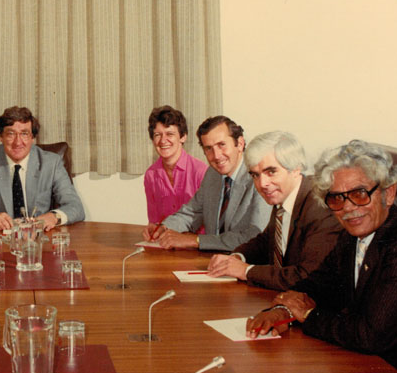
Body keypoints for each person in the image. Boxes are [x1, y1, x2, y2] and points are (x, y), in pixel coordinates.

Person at [245, 139, 397, 373]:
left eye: (360, 194)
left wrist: (307, 314)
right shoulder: (353, 234)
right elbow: (321, 283)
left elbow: (370, 335)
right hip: (365, 365)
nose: (348, 208)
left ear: (389, 193)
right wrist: (282, 310)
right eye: (336, 199)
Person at [207, 131, 343, 290]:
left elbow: (307, 276)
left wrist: (246, 271)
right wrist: (237, 257)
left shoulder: (320, 206)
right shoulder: (283, 197)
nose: (262, 183)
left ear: (296, 169)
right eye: (255, 175)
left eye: (271, 172)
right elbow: (266, 241)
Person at [150, 115, 270, 251]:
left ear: (240, 144)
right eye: (208, 148)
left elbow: (254, 236)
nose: (216, 155)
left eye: (221, 145)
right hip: (213, 261)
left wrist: (196, 240)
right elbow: (192, 212)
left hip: (247, 262)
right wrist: (164, 228)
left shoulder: (259, 177)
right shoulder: (212, 174)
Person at [0, 105, 85, 232]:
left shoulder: (51, 163)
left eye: (24, 134)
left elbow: (75, 206)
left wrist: (53, 217)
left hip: (39, 240)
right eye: (11, 134)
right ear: (0, 136)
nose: (18, 142)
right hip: (0, 239)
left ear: (32, 137)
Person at [142, 105, 208, 227]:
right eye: (157, 135)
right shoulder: (150, 175)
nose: (163, 140)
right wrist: (151, 231)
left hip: (195, 241)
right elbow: (154, 221)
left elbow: (209, 220)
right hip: (165, 241)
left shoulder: (201, 172)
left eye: (170, 134)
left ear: (183, 137)